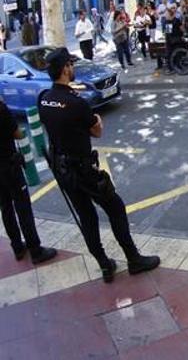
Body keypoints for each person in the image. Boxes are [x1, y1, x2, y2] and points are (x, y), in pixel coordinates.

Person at [38, 48, 160, 282]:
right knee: (115, 208)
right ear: (65, 69)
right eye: (71, 65)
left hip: (63, 170)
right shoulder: (76, 103)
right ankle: (133, 259)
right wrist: (96, 120)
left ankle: (104, 264)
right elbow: (97, 131)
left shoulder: (44, 98)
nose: (73, 68)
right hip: (84, 170)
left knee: (87, 217)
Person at [0, 99, 57, 264]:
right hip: (9, 165)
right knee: (23, 207)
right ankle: (35, 250)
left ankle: (17, 247)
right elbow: (17, 133)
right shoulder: (1, 109)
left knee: (6, 207)